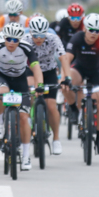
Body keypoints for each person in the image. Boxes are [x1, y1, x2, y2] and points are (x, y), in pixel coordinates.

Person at [0, 22, 42, 171]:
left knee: (23, 118)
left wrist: (39, 86)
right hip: (3, 78)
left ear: (20, 40)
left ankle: (26, 155)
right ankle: (0, 123)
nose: (11, 43)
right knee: (0, 94)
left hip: (21, 80)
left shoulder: (27, 47)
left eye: (15, 40)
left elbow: (36, 68)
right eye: (9, 39)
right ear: (4, 38)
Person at [61, 13, 99, 155]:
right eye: (91, 30)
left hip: (96, 72)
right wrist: (65, 78)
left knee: (98, 103)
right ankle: (73, 109)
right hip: (79, 69)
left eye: (97, 30)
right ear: (85, 28)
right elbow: (67, 59)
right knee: (64, 86)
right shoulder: (77, 38)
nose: (94, 34)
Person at [27, 15, 65, 155]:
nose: (38, 38)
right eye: (35, 35)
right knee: (30, 92)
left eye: (41, 35)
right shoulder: (25, 40)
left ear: (46, 33)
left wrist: (65, 76)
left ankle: (56, 139)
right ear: (30, 32)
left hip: (49, 71)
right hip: (29, 70)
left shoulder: (53, 38)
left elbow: (63, 57)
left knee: (51, 106)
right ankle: (30, 116)